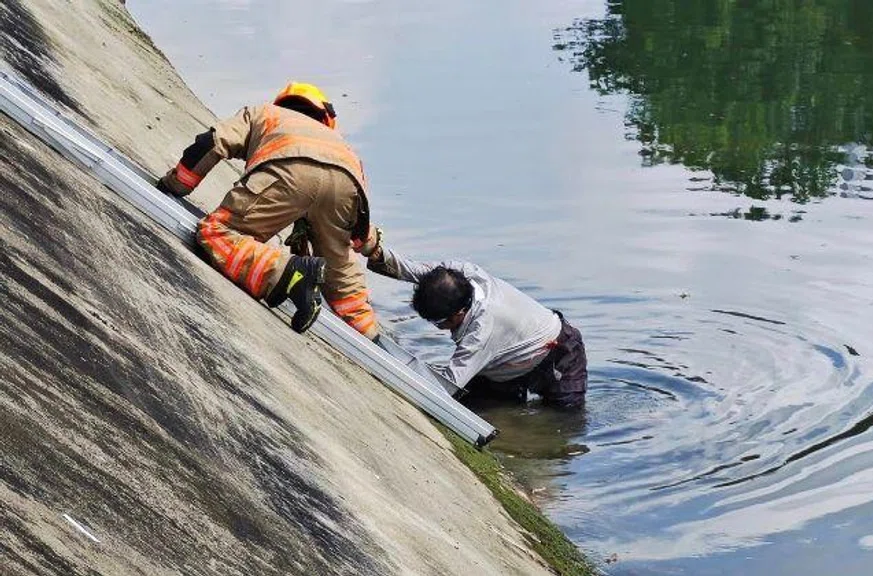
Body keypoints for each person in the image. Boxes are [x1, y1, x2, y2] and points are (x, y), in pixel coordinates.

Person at [157, 82, 381, 337]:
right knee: (339, 274)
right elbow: (357, 229)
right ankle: (368, 333)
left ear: (283, 102)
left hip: (288, 173)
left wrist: (175, 185)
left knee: (216, 233)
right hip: (347, 186)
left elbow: (212, 143)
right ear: (326, 118)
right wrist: (369, 244)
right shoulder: (344, 148)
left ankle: (289, 272)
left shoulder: (265, 114)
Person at [362, 236, 587, 409]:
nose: (437, 328)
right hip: (506, 361)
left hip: (557, 355)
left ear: (459, 313)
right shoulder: (461, 273)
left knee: (563, 419)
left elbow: (447, 387)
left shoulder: (480, 333)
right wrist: (376, 252)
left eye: (438, 323)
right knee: (481, 406)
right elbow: (415, 271)